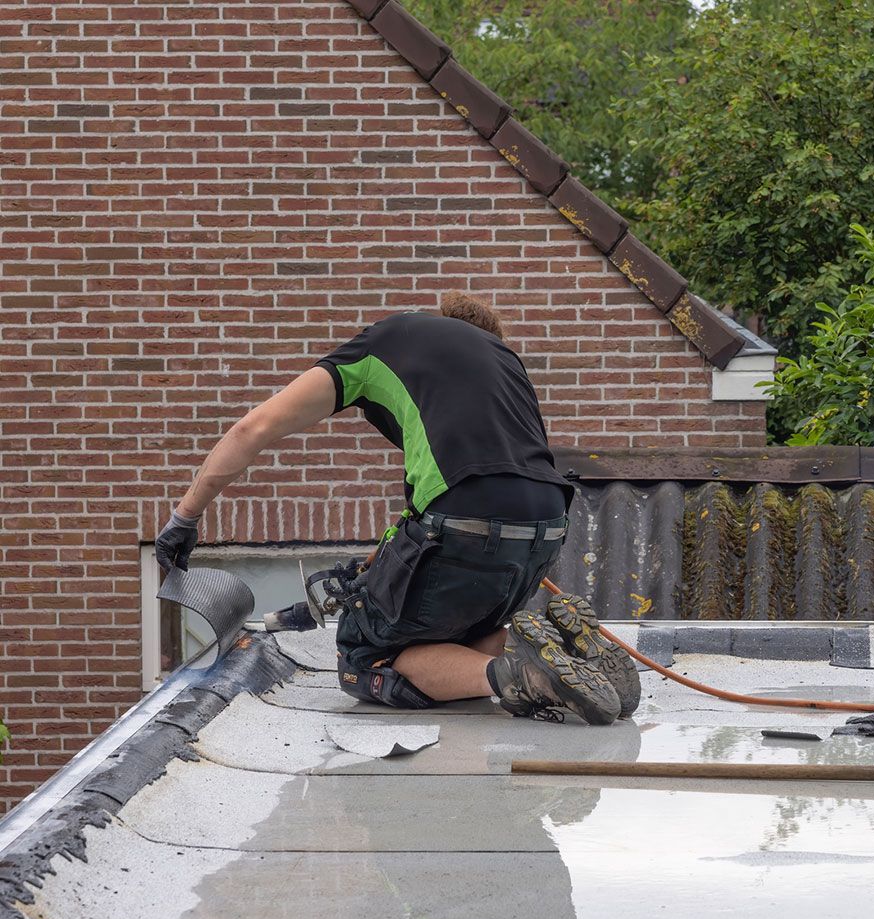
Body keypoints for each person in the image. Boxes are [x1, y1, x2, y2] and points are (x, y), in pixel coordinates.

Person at [154, 292, 640, 725]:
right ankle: (564, 658)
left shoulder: (384, 341)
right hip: (548, 525)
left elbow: (251, 430)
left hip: (466, 521)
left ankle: (529, 674)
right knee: (467, 628)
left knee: (366, 654)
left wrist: (185, 518)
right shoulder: (504, 360)